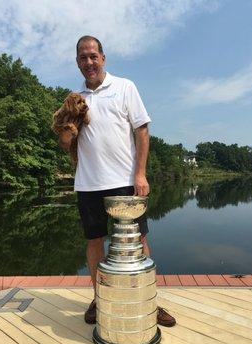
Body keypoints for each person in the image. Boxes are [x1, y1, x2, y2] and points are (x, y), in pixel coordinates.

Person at [60, 35, 176, 327]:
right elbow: (64, 143)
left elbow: (142, 131)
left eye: (93, 56)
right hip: (88, 183)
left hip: (124, 181)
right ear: (77, 63)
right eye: (83, 58)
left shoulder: (125, 87)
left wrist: (140, 174)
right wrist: (71, 124)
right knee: (94, 242)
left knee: (139, 242)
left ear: (103, 58)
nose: (89, 62)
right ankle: (100, 299)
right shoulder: (74, 99)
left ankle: (147, 300)